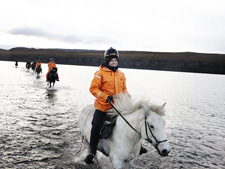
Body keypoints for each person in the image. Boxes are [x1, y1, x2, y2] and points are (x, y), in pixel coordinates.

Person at [84, 47, 147, 164]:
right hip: (103, 106)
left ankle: (139, 146)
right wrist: (104, 97)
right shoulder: (99, 73)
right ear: (107, 61)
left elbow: (124, 89)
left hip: (118, 106)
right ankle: (92, 151)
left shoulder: (121, 74)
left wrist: (127, 96)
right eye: (112, 60)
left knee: (133, 121)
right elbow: (93, 89)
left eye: (115, 60)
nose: (114, 62)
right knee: (96, 124)